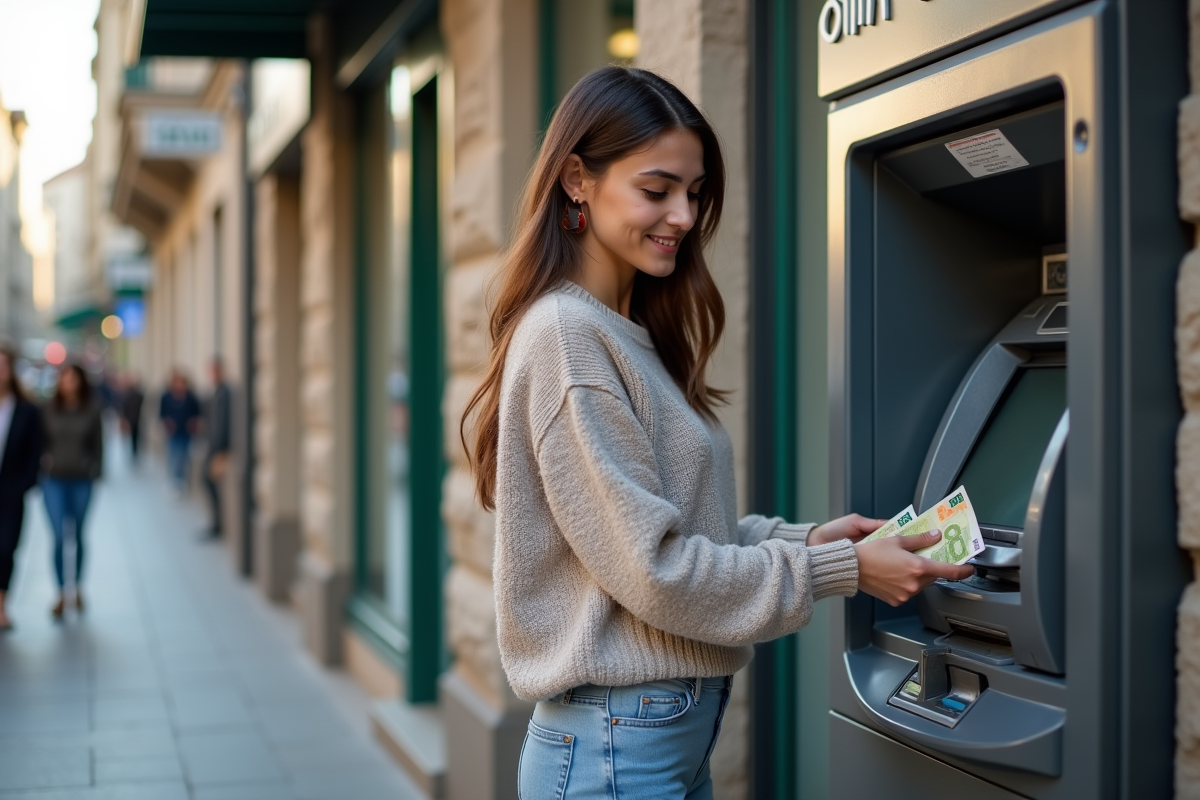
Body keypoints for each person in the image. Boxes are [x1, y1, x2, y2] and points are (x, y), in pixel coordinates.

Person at [461, 66, 975, 799]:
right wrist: (848, 572)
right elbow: (656, 574)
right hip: (618, 744)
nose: (683, 215)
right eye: (657, 188)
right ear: (577, 179)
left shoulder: (620, 333)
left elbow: (668, 534)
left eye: (694, 193)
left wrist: (811, 542)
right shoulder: (567, 338)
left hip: (649, 735)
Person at [41, 363, 104, 619]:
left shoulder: (91, 409)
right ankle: (59, 592)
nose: (68, 384)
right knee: (58, 536)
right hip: (53, 480)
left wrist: (96, 471)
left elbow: (99, 445)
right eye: (64, 379)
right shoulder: (48, 410)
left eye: (73, 379)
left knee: (77, 534)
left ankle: (77, 587)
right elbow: (39, 440)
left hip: (81, 480)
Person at [0, 346, 43, 630]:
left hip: (10, 492)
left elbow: (34, 452)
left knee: (5, 548)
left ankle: (1, 604)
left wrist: (24, 485)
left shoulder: (27, 410)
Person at [200, 357, 231, 538]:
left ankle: (217, 524)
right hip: (213, 446)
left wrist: (219, 450)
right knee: (207, 482)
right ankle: (215, 522)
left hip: (218, 449)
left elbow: (222, 424)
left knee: (209, 481)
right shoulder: (216, 392)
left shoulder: (224, 393)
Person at [159, 370, 200, 496]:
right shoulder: (167, 396)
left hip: (185, 432)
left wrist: (194, 423)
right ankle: (174, 481)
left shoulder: (190, 397)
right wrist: (166, 423)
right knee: (173, 455)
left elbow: (197, 413)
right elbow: (162, 413)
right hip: (173, 432)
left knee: (183, 456)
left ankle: (181, 481)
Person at [118, 371, 145, 463]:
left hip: (135, 419)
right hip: (130, 419)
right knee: (130, 438)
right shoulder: (125, 394)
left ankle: (134, 453)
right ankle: (132, 453)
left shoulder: (134, 394)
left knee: (134, 437)